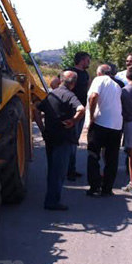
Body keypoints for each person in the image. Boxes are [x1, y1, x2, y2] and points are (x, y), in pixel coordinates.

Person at [34, 70, 85, 210]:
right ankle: (52, 201)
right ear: (73, 84)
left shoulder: (52, 94)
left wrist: (42, 128)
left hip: (49, 135)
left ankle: (51, 198)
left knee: (52, 169)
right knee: (59, 171)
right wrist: (74, 121)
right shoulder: (70, 95)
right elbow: (81, 109)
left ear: (61, 80)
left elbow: (36, 110)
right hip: (63, 138)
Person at [49, 52, 91, 181]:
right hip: (71, 111)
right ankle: (68, 170)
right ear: (82, 60)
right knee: (71, 141)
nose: (89, 62)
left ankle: (70, 169)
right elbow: (53, 83)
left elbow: (88, 89)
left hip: (80, 111)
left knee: (74, 141)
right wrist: (64, 98)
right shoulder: (69, 72)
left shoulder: (85, 74)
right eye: (88, 60)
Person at [86, 64, 123, 196]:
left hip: (101, 122)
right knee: (112, 158)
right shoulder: (118, 84)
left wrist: (91, 116)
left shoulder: (99, 80)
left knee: (93, 154)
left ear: (100, 73)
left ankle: (94, 187)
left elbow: (94, 96)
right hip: (117, 125)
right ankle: (107, 188)